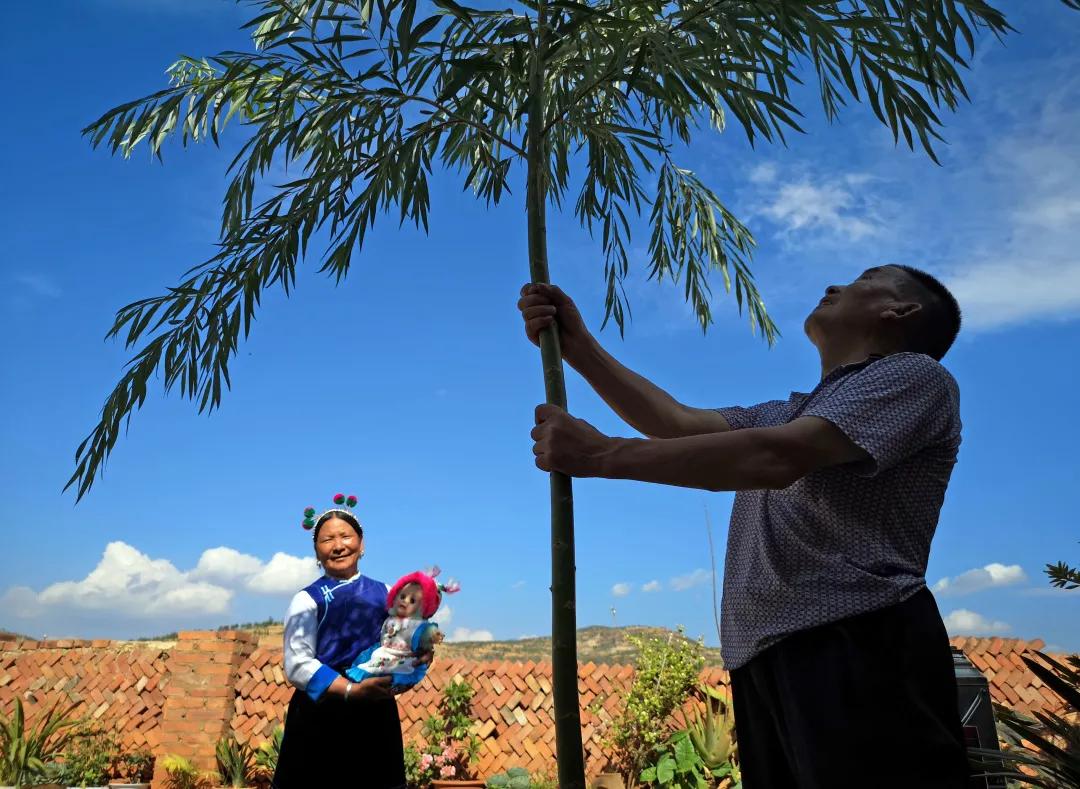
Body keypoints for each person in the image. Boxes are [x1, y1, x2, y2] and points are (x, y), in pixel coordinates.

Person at [520, 265, 969, 788]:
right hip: (766, 654)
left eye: (865, 279)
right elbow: (676, 425)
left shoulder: (915, 375)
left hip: (860, 642)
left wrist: (602, 455)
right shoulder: (789, 410)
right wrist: (577, 346)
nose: (834, 284)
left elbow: (777, 458)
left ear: (901, 311)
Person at [273, 495, 429, 789]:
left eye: (346, 535)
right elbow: (298, 664)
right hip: (320, 714)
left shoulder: (386, 593)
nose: (338, 545)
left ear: (362, 544)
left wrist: (416, 656)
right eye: (326, 539)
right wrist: (350, 690)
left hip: (373, 713)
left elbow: (399, 645)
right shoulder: (307, 600)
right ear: (317, 552)